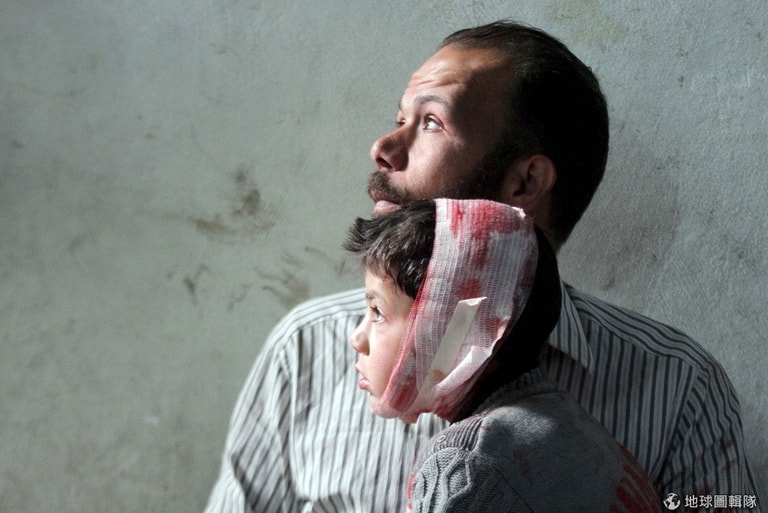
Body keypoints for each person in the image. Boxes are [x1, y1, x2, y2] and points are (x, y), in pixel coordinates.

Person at [204, 20, 760, 512]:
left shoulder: (679, 385)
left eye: (430, 122)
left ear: (525, 183)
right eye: (400, 118)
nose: (383, 147)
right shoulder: (304, 348)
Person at [344, 197, 660, 512]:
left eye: (377, 312)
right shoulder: (578, 430)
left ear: (458, 332)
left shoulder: (468, 464)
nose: (356, 338)